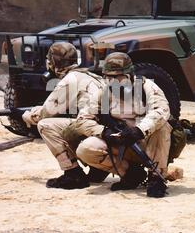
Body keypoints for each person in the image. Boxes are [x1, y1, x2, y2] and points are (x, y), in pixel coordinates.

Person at [72, 52, 172, 197]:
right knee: (85, 149)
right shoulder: (103, 93)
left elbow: (161, 111)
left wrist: (139, 130)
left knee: (162, 127)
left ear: (129, 75)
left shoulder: (146, 87)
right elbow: (82, 120)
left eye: (117, 76)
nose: (112, 81)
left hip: (148, 143)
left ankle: (156, 178)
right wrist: (104, 132)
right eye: (108, 76)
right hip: (120, 143)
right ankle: (130, 174)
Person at [22, 41, 105, 190]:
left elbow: (46, 113)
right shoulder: (92, 76)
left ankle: (72, 173)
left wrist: (28, 116)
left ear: (53, 62)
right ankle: (98, 169)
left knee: (45, 126)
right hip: (103, 131)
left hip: (93, 130)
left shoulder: (70, 79)